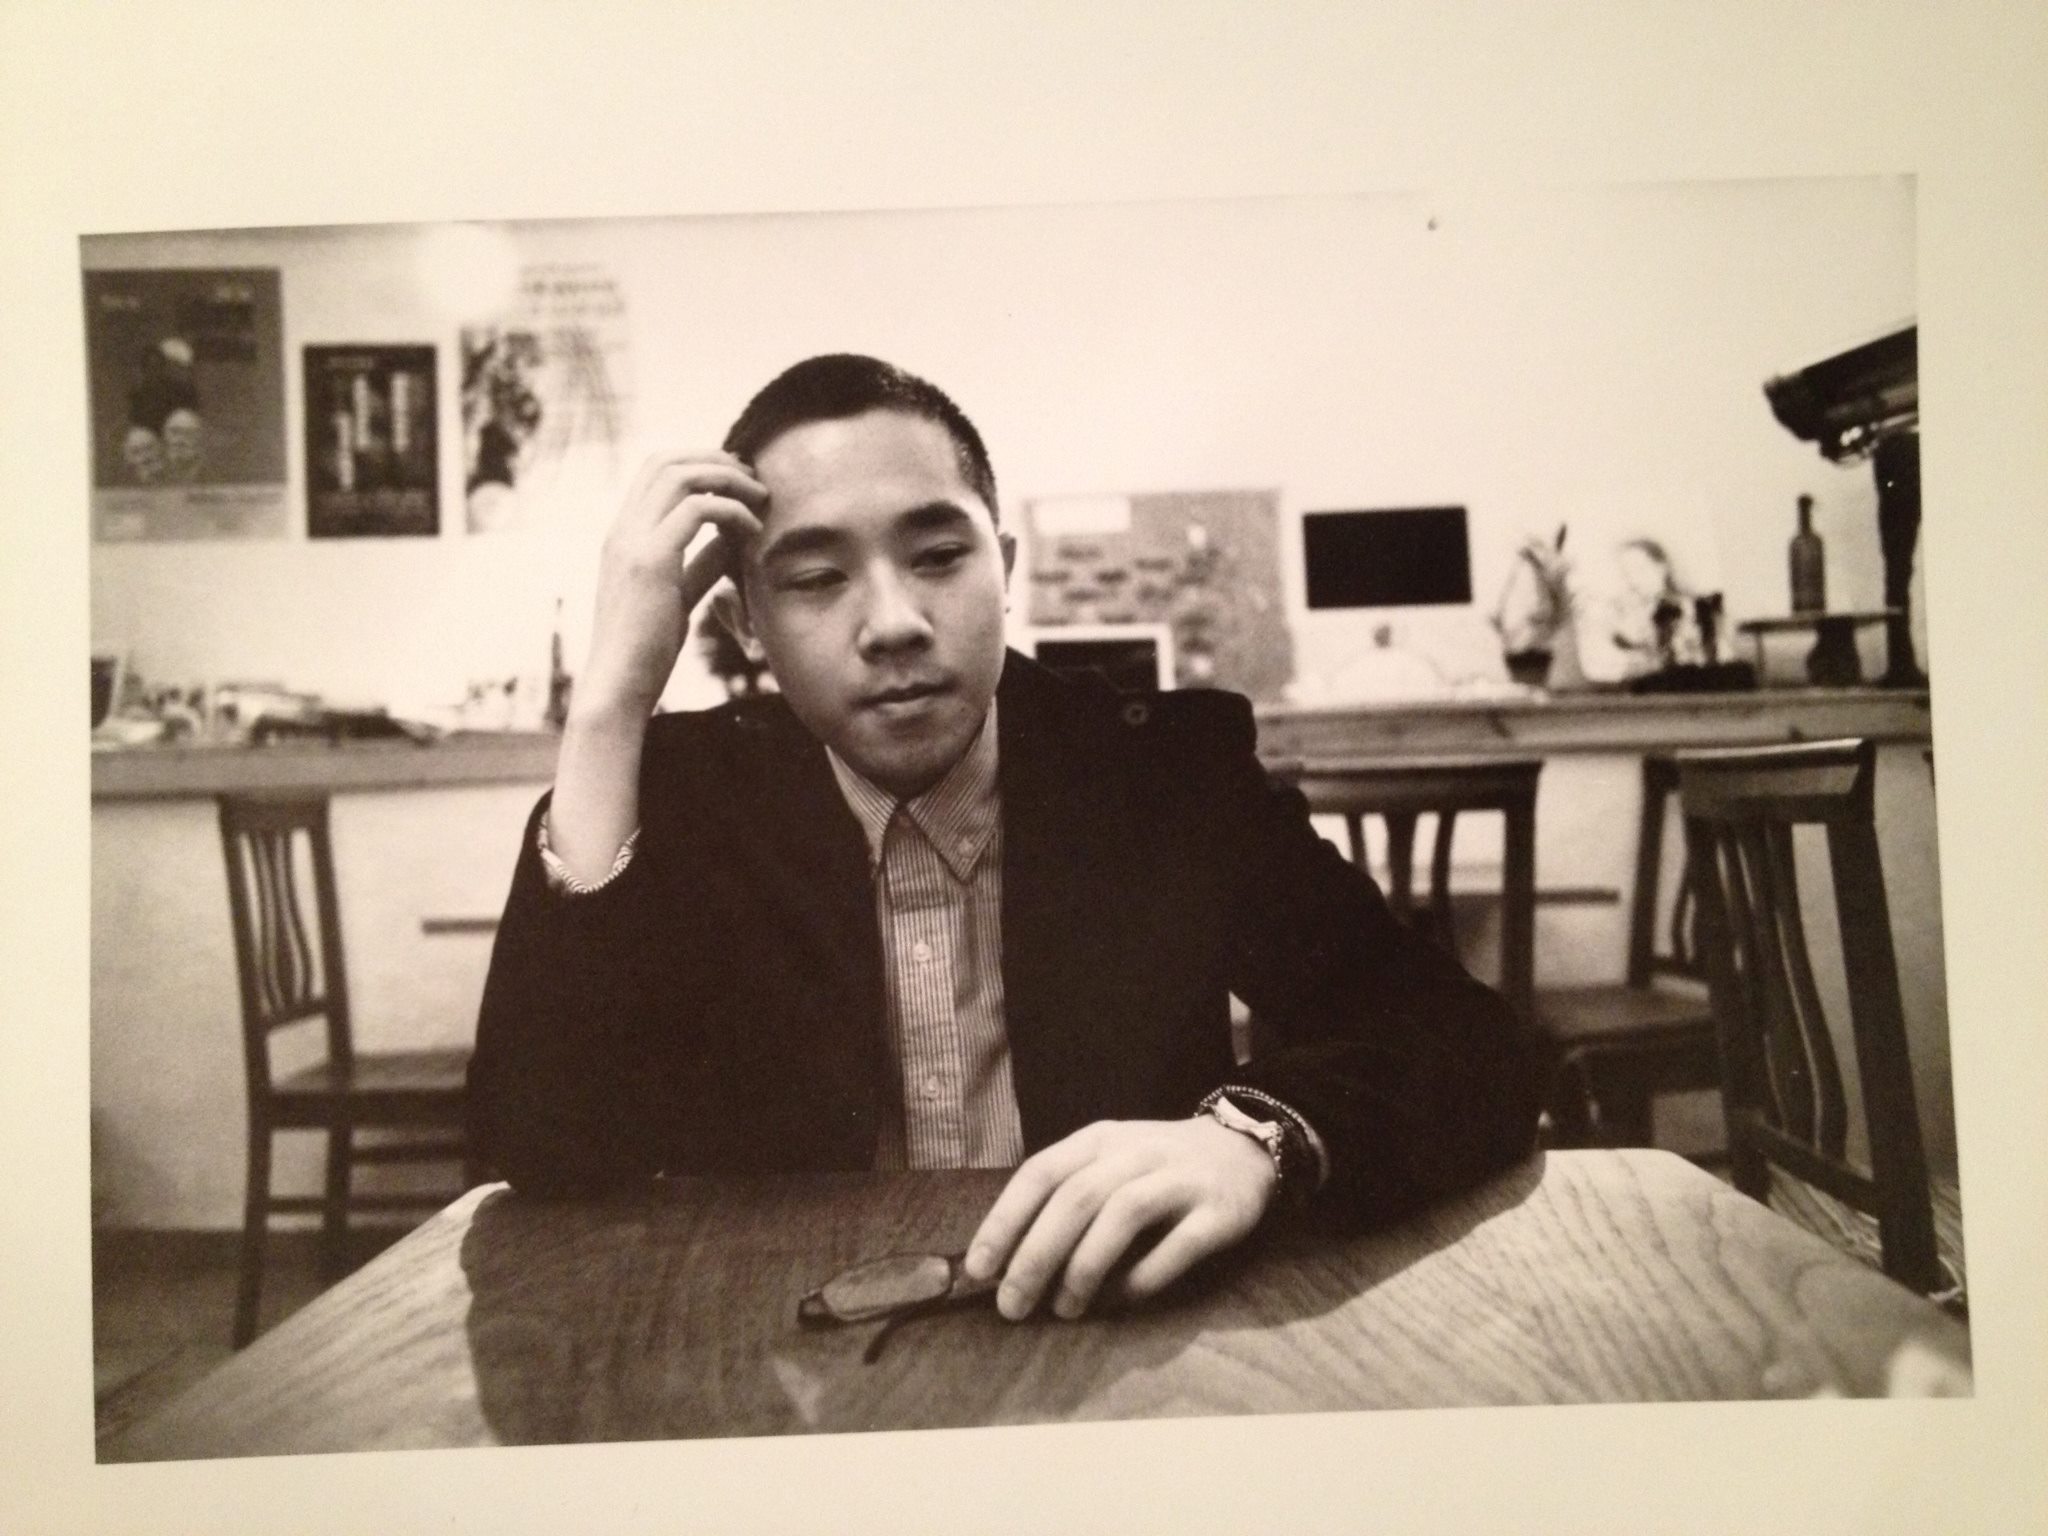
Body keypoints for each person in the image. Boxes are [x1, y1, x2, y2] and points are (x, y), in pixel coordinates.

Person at [469, 354, 1539, 1324]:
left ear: (1006, 566)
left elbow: (1467, 1042)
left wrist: (1252, 1138)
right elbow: (541, 1149)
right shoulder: (689, 798)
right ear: (746, 622)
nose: (894, 622)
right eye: (815, 578)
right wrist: (609, 705)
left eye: (939, 555)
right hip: (787, 1348)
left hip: (1115, 1335)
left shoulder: (1161, 773)